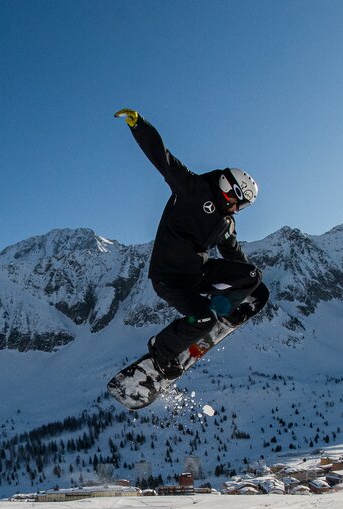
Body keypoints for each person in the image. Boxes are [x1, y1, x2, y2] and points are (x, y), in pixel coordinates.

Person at [114, 108, 270, 378]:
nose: (237, 210)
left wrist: (250, 286)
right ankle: (162, 350)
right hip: (170, 278)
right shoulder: (192, 189)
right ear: (230, 191)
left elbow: (233, 253)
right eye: (240, 204)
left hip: (199, 273)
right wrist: (139, 124)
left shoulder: (225, 222)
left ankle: (221, 310)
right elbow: (162, 158)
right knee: (203, 320)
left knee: (253, 274)